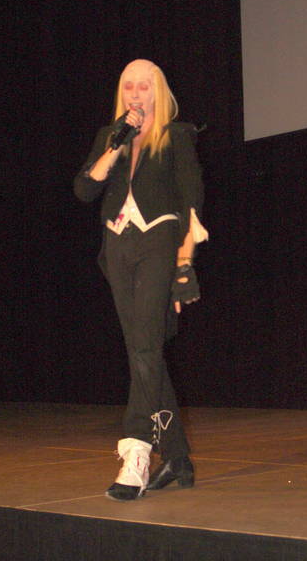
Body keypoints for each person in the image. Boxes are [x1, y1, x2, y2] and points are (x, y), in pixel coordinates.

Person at [74, 59, 207, 501]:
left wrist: (184, 265)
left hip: (158, 242)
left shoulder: (176, 134)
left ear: (158, 92)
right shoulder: (110, 135)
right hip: (117, 246)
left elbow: (191, 200)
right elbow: (85, 189)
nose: (135, 94)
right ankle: (178, 458)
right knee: (141, 350)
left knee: (145, 347)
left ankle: (136, 452)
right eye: (128, 86)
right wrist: (116, 144)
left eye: (143, 86)